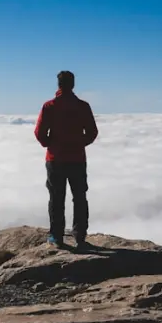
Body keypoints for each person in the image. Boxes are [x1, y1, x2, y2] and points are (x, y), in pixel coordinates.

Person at [34, 70, 98, 249]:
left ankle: (56, 236)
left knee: (56, 198)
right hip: (77, 159)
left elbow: (39, 132)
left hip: (55, 159)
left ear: (59, 84)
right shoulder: (83, 106)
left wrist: (50, 144)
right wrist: (79, 143)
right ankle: (80, 236)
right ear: (73, 84)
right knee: (80, 197)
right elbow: (92, 132)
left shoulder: (49, 106)